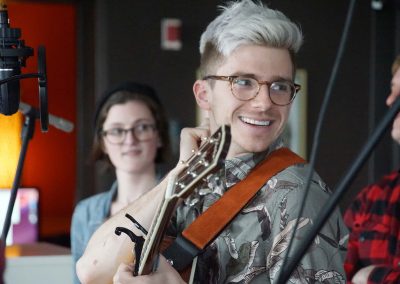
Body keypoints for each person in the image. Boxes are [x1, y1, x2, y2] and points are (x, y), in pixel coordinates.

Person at [77, 1, 348, 283]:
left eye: (280, 86)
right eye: (244, 82)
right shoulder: (195, 180)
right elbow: (92, 270)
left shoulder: (298, 197)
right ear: (204, 94)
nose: (264, 103)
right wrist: (180, 173)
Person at [70, 81, 170, 283]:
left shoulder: (187, 205)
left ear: (158, 136)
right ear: (103, 142)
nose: (130, 139)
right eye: (117, 130)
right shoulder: (86, 212)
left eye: (141, 127)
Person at [344, 56, 400, 284]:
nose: (390, 101)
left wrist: (368, 278)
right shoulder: (371, 198)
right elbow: (330, 274)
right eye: (393, 90)